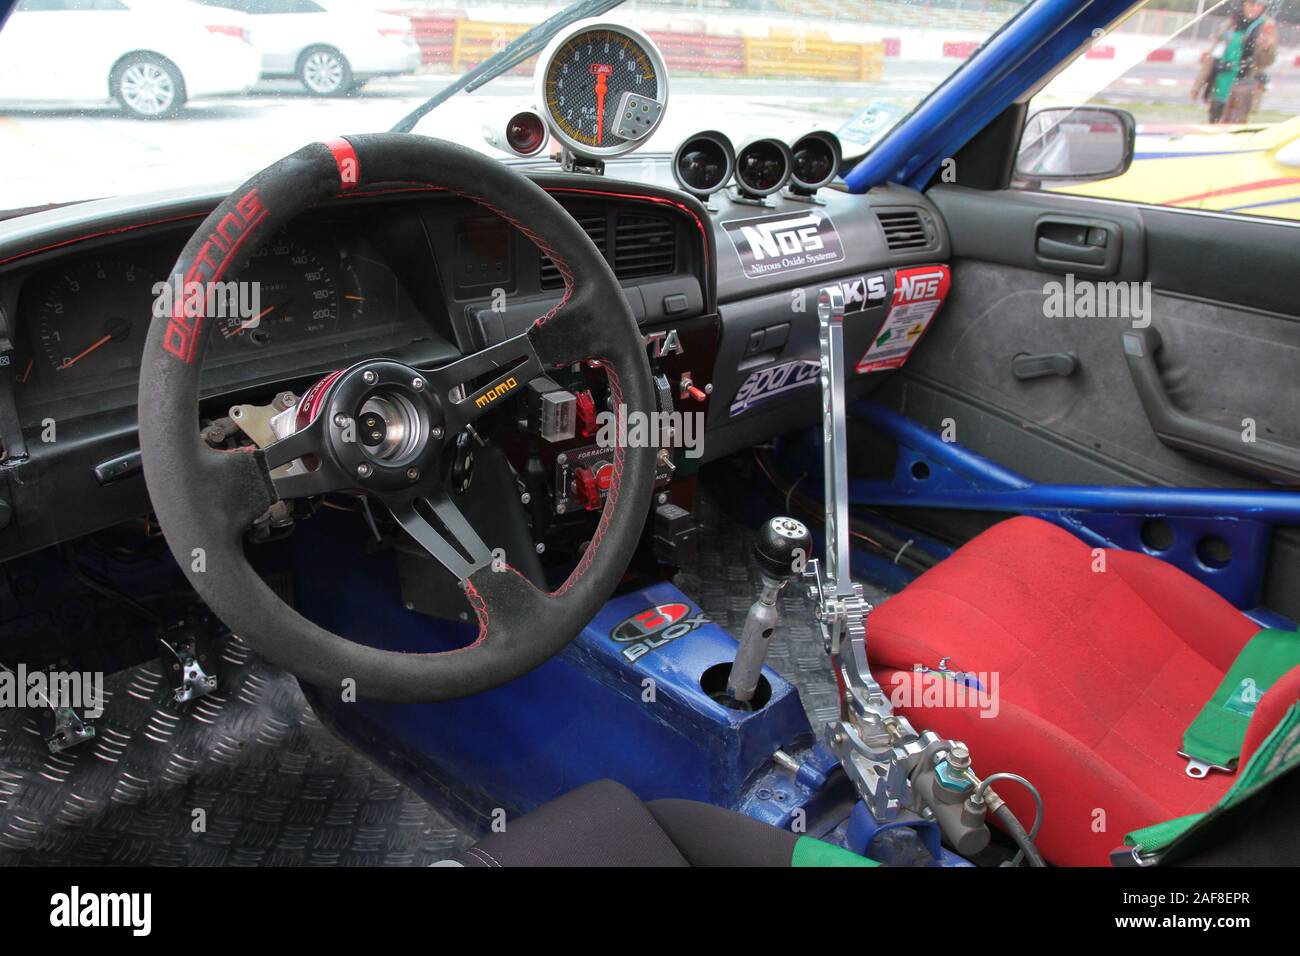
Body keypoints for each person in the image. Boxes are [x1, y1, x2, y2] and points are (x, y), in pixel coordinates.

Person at [1192, 0, 1278, 123]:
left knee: (1235, 127)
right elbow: (1212, 57)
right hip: (1221, 82)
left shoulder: (1266, 26)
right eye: (1251, 4)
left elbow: (1266, 62)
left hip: (1245, 86)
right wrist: (1198, 85)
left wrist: (1266, 48)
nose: (1255, 8)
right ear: (1243, 4)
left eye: (1259, 5)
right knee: (1213, 124)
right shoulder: (1231, 23)